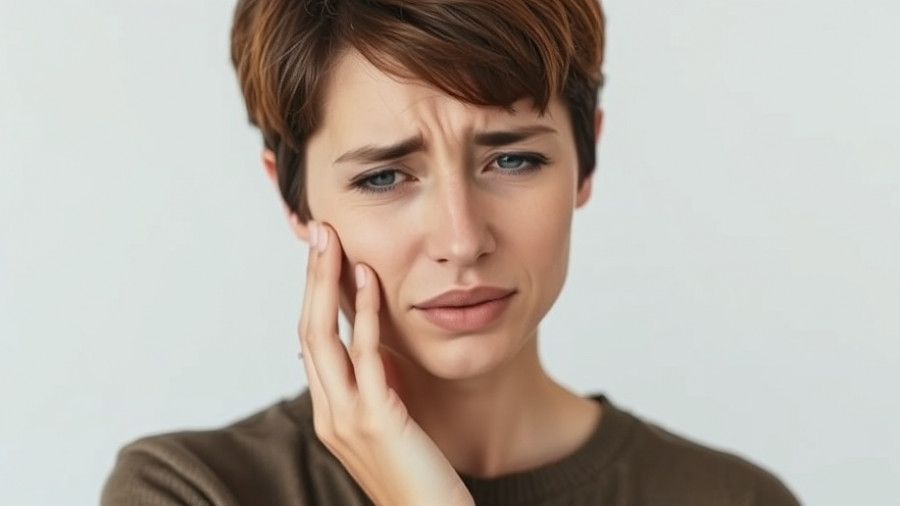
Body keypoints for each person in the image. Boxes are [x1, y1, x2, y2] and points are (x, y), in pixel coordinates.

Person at [103, 0, 800, 504]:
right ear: (293, 199)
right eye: (383, 177)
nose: (463, 240)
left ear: (586, 158)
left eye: (514, 161)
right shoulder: (195, 491)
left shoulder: (732, 498)